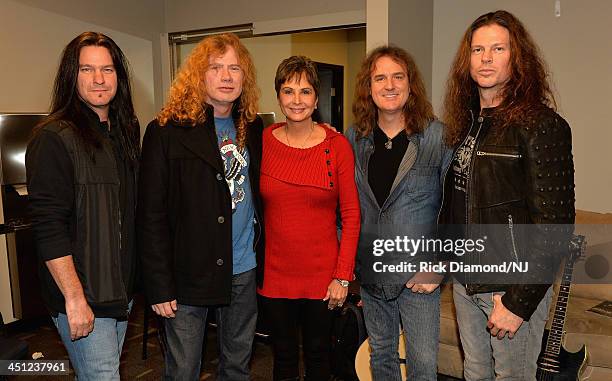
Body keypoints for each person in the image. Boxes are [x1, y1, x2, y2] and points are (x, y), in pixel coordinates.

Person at [440, 10, 575, 380]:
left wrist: (519, 302)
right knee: (475, 374)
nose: (485, 58)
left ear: (517, 57)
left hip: (509, 287)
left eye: (498, 48)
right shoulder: (468, 124)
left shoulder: (541, 124)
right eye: (478, 49)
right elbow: (456, 205)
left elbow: (555, 228)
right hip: (467, 284)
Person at [137, 33, 263, 381]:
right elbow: (150, 217)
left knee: (237, 367)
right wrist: (159, 286)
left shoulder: (252, 128)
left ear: (244, 77)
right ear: (198, 75)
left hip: (243, 269)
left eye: (234, 68)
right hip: (187, 276)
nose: (226, 76)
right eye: (216, 67)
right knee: (183, 371)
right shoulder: (165, 131)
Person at [26, 32, 140, 380]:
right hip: (85, 297)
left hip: (119, 293)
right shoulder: (54, 138)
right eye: (87, 69)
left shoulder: (125, 132)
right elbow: (49, 227)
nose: (99, 79)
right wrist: (75, 299)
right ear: (70, 76)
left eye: (107, 69)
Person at [346, 46, 452, 380]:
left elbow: (454, 207)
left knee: (422, 367)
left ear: (411, 84)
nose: (389, 85)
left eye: (398, 76)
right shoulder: (355, 139)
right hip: (373, 273)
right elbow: (348, 206)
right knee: (381, 359)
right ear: (369, 87)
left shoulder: (439, 136)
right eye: (380, 78)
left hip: (418, 277)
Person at [257, 55, 360, 381]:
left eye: (304, 92)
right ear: (278, 97)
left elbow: (352, 214)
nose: (296, 100)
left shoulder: (337, 145)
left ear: (316, 98)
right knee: (283, 359)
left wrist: (342, 276)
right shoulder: (262, 142)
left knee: (319, 358)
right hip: (274, 277)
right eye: (288, 91)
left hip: (323, 279)